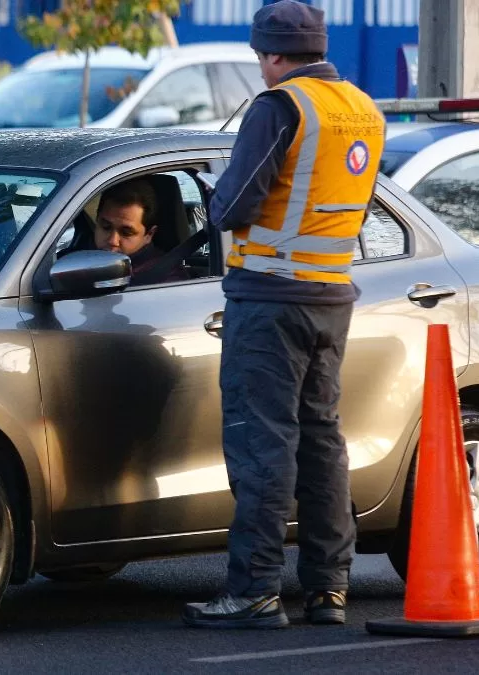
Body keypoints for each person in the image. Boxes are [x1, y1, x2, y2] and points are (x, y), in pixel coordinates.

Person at [181, 0, 385, 630]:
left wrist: (215, 196)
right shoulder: (362, 109)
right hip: (331, 297)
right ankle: (329, 590)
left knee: (263, 445)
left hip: (269, 296)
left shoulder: (279, 108)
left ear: (271, 54)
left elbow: (233, 207)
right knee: (322, 440)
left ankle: (253, 591)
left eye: (260, 57)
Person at [90, 179, 187, 284]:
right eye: (106, 227)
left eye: (126, 233)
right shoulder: (81, 260)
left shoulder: (169, 280)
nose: (113, 240)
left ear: (149, 235)